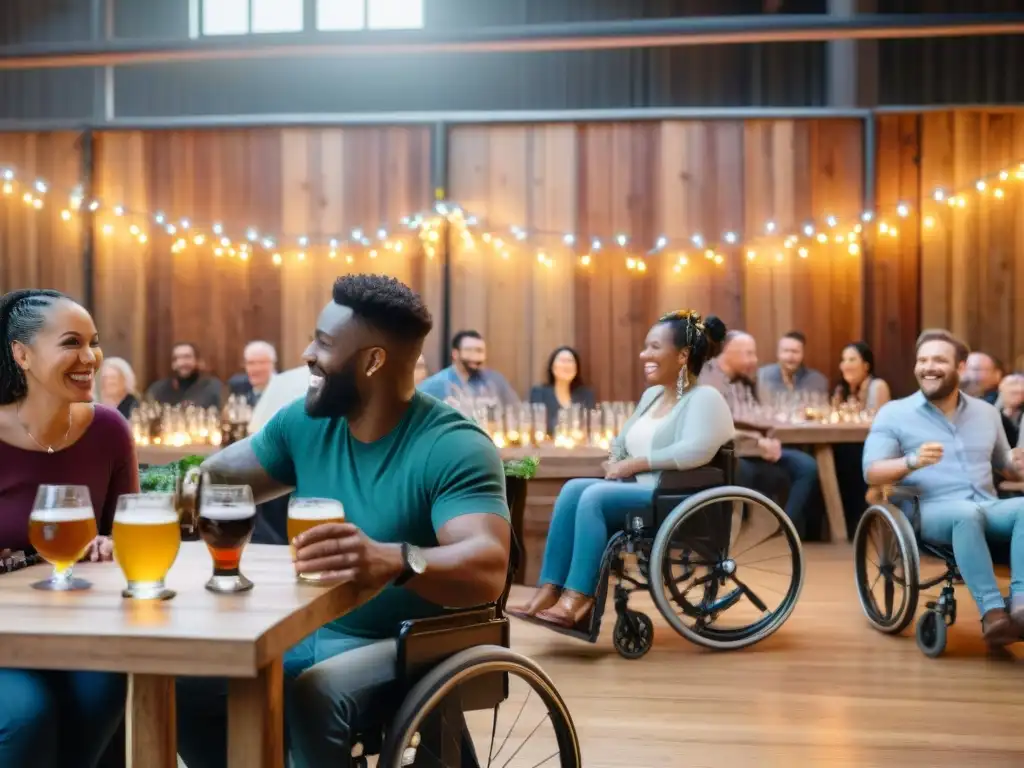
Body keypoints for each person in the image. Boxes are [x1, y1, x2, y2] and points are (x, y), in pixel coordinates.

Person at [175, 275, 511, 768]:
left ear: (373, 361)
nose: (308, 353)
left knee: (315, 692)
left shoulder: (454, 444)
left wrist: (393, 559)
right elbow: (212, 480)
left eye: (325, 344)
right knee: (187, 683)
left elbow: (486, 567)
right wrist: (160, 503)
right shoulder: (306, 422)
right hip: (308, 627)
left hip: (413, 643)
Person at [508, 310, 734, 629]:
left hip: (674, 499)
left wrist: (637, 462)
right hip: (644, 491)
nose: (645, 355)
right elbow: (624, 437)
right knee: (573, 488)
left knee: (594, 498)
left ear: (683, 355)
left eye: (655, 347)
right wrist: (616, 458)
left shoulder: (705, 398)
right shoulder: (653, 396)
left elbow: (695, 450)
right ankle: (549, 590)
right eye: (646, 347)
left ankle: (579, 598)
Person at [0, 289, 135, 767]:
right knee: (25, 713)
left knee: (102, 689)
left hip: (76, 625)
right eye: (71, 343)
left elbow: (129, 533)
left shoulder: (109, 429)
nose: (90, 358)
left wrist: (112, 544)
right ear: (22, 354)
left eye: (93, 342)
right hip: (4, 633)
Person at [863, 329, 1024, 647]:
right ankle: (993, 613)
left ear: (960, 368)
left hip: (986, 504)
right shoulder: (895, 413)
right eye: (922, 360)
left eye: (939, 359)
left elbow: (1005, 465)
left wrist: (1016, 462)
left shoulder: (987, 413)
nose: (928, 367)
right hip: (929, 510)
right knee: (965, 514)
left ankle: (1019, 604)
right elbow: (871, 471)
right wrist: (911, 462)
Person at [418, 330, 519, 408]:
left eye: (479, 351)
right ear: (455, 354)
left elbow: (515, 411)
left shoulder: (496, 381)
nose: (474, 356)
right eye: (469, 350)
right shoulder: (435, 384)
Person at [529, 345, 597, 435]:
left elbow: (591, 427)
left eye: (570, 361)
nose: (566, 365)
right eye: (562, 361)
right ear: (552, 367)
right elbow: (536, 425)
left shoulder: (586, 395)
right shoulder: (539, 393)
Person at [145, 341, 223, 408]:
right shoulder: (158, 390)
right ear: (173, 364)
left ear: (198, 361)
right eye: (177, 358)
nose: (181, 363)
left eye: (187, 357)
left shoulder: (213, 387)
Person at [834, 341, 890, 411]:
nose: (846, 366)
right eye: (843, 360)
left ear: (866, 365)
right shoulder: (841, 389)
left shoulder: (878, 386)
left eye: (852, 360)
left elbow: (880, 420)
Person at [227, 340, 278, 407]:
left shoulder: (286, 389)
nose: (257, 369)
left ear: (273, 364)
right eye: (251, 363)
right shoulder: (239, 387)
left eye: (262, 362)